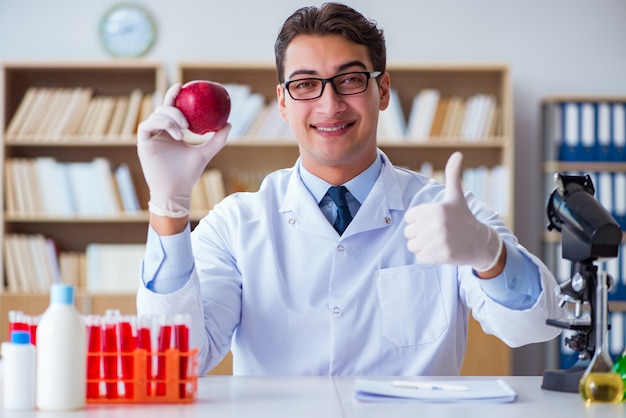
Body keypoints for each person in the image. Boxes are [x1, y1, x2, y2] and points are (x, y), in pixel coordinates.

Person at [136, 2, 566, 376]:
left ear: (382, 91)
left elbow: (538, 326)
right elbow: (177, 361)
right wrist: (169, 208)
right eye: (305, 84)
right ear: (283, 103)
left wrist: (491, 256)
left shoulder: (450, 213)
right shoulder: (235, 224)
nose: (330, 104)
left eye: (350, 79)